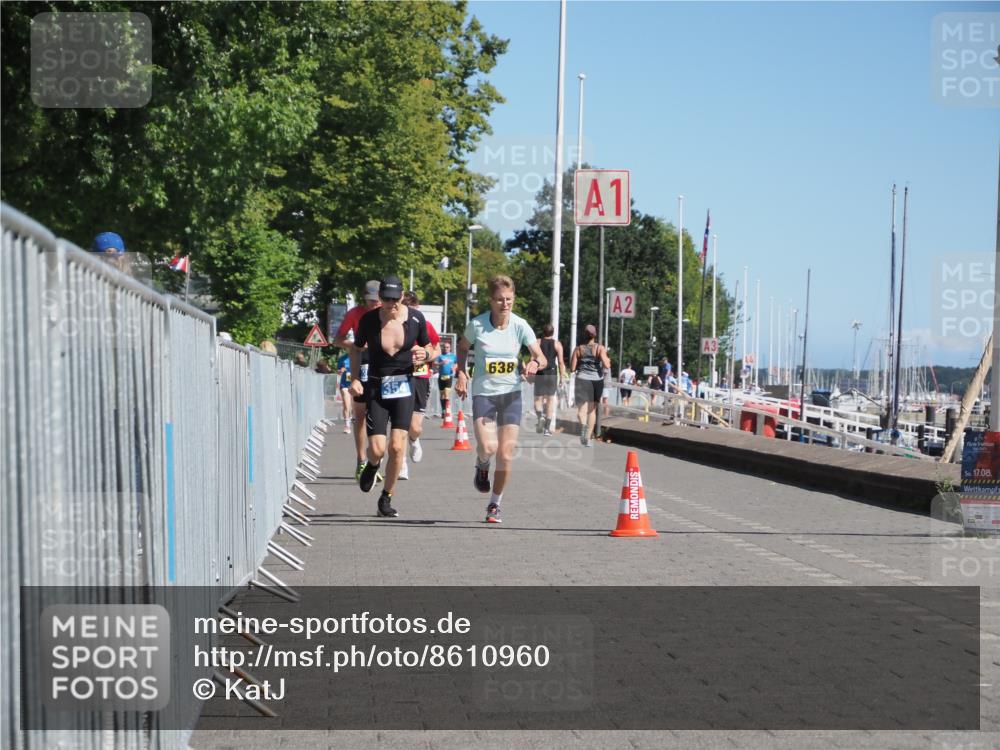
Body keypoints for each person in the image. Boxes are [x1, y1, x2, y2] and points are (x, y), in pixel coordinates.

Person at [455, 275, 546, 524]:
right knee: (489, 447)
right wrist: (461, 373)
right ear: (490, 300)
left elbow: (540, 356)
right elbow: (462, 348)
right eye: (499, 300)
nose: (505, 304)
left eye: (509, 299)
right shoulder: (477, 324)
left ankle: (494, 504)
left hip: (511, 394)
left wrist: (535, 364)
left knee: (506, 453)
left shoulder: (520, 325)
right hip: (484, 393)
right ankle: (482, 464)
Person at [349, 276, 433, 517]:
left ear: (402, 296)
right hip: (376, 388)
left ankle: (386, 498)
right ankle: (372, 464)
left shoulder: (416, 319)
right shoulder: (368, 320)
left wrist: (425, 354)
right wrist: (355, 378)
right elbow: (356, 349)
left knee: (397, 448)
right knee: (378, 449)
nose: (390, 304)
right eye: (385, 299)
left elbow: (431, 348)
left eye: (395, 300)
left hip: (404, 387)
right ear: (380, 298)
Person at [332, 281, 382, 482]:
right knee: (360, 415)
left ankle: (375, 459)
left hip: (382, 365)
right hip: (360, 363)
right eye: (370, 301)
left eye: (377, 301)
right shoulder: (354, 313)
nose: (373, 305)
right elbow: (337, 339)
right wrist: (356, 345)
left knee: (380, 414)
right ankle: (362, 460)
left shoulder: (388, 313)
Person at [399, 291, 441, 480]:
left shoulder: (426, 325)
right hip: (398, 376)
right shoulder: (395, 325)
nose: (416, 315)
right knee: (398, 425)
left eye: (417, 310)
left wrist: (427, 355)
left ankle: (414, 440)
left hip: (420, 375)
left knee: (415, 427)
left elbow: (436, 349)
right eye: (411, 310)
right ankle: (401, 466)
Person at [569, 324, 611, 447]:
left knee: (581, 410)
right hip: (596, 380)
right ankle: (588, 438)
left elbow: (572, 368)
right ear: (595, 335)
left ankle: (583, 426)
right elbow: (607, 365)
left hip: (582, 378)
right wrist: (606, 361)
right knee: (592, 410)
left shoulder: (578, 349)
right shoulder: (600, 348)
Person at [532, 324, 566, 436]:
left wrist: (530, 372)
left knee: (538, 399)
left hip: (540, 372)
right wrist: (562, 377)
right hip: (552, 374)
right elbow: (561, 362)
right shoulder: (557, 344)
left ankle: (540, 417)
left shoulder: (538, 342)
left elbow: (533, 358)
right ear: (553, 332)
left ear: (543, 332)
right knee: (551, 400)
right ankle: (547, 429)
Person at [435, 339, 457, 418]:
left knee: (447, 394)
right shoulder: (440, 356)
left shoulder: (453, 356)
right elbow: (435, 364)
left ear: (450, 348)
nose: (446, 348)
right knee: (442, 395)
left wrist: (454, 368)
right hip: (441, 376)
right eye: (444, 347)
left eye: (447, 347)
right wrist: (442, 363)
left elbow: (456, 363)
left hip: (449, 376)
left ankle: (447, 411)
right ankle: (443, 410)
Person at [336, 350, 352, 433]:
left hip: (356, 384)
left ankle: (353, 418)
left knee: (354, 407)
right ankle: (347, 425)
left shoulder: (361, 355)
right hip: (345, 384)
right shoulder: (342, 358)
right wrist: (340, 370)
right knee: (346, 405)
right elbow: (338, 371)